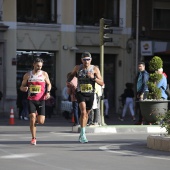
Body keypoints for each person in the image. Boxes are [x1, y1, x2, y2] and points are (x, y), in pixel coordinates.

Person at [67, 51, 104, 143]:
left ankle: (82, 130)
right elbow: (71, 75)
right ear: (81, 60)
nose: (86, 61)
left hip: (90, 93)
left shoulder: (95, 69)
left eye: (88, 59)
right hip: (80, 93)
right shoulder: (77, 68)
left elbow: (102, 82)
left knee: (86, 114)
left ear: (90, 60)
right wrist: (68, 82)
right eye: (84, 60)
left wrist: (93, 78)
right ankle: (83, 134)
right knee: (83, 112)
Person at [20, 58, 51, 145]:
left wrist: (48, 92)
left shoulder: (44, 74)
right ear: (33, 64)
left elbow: (49, 84)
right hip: (31, 100)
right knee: (32, 118)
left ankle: (37, 117)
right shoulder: (27, 75)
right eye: (37, 66)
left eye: (40, 66)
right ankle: (33, 138)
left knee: (41, 121)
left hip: (41, 100)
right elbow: (21, 86)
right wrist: (24, 88)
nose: (39, 68)